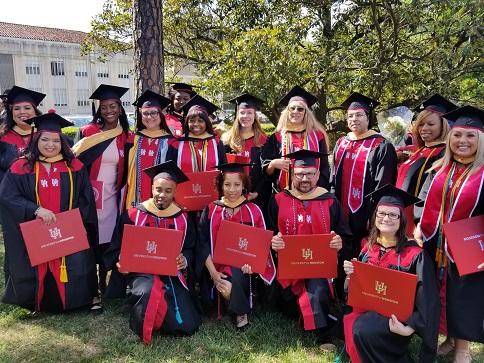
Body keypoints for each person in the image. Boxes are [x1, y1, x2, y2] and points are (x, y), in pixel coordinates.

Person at [0, 112, 100, 314]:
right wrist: (35, 210)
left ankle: (79, 300)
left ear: (62, 142)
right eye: (45, 139)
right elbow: (8, 197)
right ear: (36, 139)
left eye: (56, 140)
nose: (50, 144)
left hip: (68, 232)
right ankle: (37, 301)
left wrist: (71, 220)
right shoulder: (21, 167)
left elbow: (86, 199)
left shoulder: (74, 166)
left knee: (74, 261)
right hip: (35, 230)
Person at [104, 161, 201, 344]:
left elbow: (190, 248)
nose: (162, 195)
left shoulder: (183, 219)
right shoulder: (132, 215)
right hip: (141, 272)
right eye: (158, 189)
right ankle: (145, 315)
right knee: (148, 291)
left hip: (170, 273)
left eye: (168, 191)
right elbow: (117, 247)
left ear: (175, 192)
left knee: (188, 325)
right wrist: (121, 260)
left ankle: (152, 314)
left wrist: (184, 260)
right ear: (151, 188)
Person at [416, 106, 484, 362]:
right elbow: (423, 202)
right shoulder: (439, 169)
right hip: (435, 243)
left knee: (462, 295)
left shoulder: (483, 174)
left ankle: (463, 350)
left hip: (469, 247)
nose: (462, 141)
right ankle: (449, 339)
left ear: (480, 140)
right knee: (441, 291)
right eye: (457, 135)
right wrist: (419, 229)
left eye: (470, 136)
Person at [343, 184, 440, 363]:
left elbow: (428, 300)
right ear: (375, 217)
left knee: (361, 328)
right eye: (381, 213)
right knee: (353, 323)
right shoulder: (365, 245)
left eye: (393, 214)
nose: (386, 219)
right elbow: (351, 291)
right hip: (363, 310)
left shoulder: (415, 255)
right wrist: (350, 275)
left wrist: (408, 328)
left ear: (402, 219)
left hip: (395, 321)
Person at [267, 150, 352, 345]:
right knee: (287, 305)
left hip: (318, 268)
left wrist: (339, 243)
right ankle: (312, 314)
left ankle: (322, 334)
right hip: (287, 270)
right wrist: (274, 243)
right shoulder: (279, 200)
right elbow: (269, 233)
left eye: (309, 174)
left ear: (317, 175)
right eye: (299, 174)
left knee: (316, 291)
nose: (304, 179)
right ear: (292, 175)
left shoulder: (329, 200)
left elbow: (345, 236)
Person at [197, 162, 275, 329]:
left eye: (237, 184)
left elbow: (261, 243)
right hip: (216, 266)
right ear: (220, 185)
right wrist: (213, 273)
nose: (232, 190)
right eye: (227, 185)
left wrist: (253, 265)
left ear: (244, 185)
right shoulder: (211, 209)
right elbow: (202, 244)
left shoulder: (254, 210)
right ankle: (241, 312)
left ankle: (234, 306)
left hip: (244, 268)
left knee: (231, 280)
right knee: (225, 282)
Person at [72, 84, 131, 294]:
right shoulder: (88, 132)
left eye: (113, 106)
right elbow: (75, 163)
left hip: (113, 195)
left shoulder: (125, 135)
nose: (108, 111)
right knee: (90, 234)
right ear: (99, 110)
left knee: (108, 235)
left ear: (120, 109)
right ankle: (90, 279)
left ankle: (104, 279)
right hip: (90, 194)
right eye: (104, 107)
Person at [332, 92, 397, 257]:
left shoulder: (381, 146)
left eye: (359, 115)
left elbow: (384, 185)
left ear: (368, 118)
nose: (354, 119)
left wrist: (374, 215)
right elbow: (332, 179)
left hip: (364, 216)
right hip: (340, 212)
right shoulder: (341, 144)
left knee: (360, 254)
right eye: (350, 116)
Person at [261, 85, 330, 192]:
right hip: (284, 193)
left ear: (306, 113)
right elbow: (267, 172)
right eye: (292, 108)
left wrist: (317, 193)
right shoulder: (278, 137)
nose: (295, 111)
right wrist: (273, 164)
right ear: (287, 112)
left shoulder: (318, 136)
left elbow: (324, 169)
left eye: (300, 109)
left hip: (313, 193)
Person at [124, 90, 176, 209]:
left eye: (154, 113)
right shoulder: (133, 140)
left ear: (161, 114)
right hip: (134, 195)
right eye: (145, 113)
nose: (149, 117)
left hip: (162, 197)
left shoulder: (171, 142)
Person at [396, 94, 456, 197]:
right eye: (421, 124)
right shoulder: (421, 150)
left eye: (431, 124)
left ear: (443, 126)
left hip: (418, 211)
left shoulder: (444, 153)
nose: (424, 128)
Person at [222, 93, 270, 210]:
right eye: (242, 113)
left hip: (257, 195)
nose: (245, 116)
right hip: (232, 194)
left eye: (249, 113)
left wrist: (257, 192)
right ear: (237, 115)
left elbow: (265, 171)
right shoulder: (228, 140)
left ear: (255, 116)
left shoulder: (263, 140)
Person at [169, 94, 227, 173]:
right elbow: (170, 171)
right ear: (187, 123)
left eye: (200, 121)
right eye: (192, 121)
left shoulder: (217, 144)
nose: (196, 124)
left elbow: (224, 170)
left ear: (206, 123)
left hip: (211, 185)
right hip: (184, 185)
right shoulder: (177, 145)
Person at [0, 86, 45, 185]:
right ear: (11, 113)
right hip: (8, 192)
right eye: (16, 108)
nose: (22, 112)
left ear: (35, 111)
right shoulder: (2, 137)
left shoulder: (47, 136)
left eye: (27, 108)